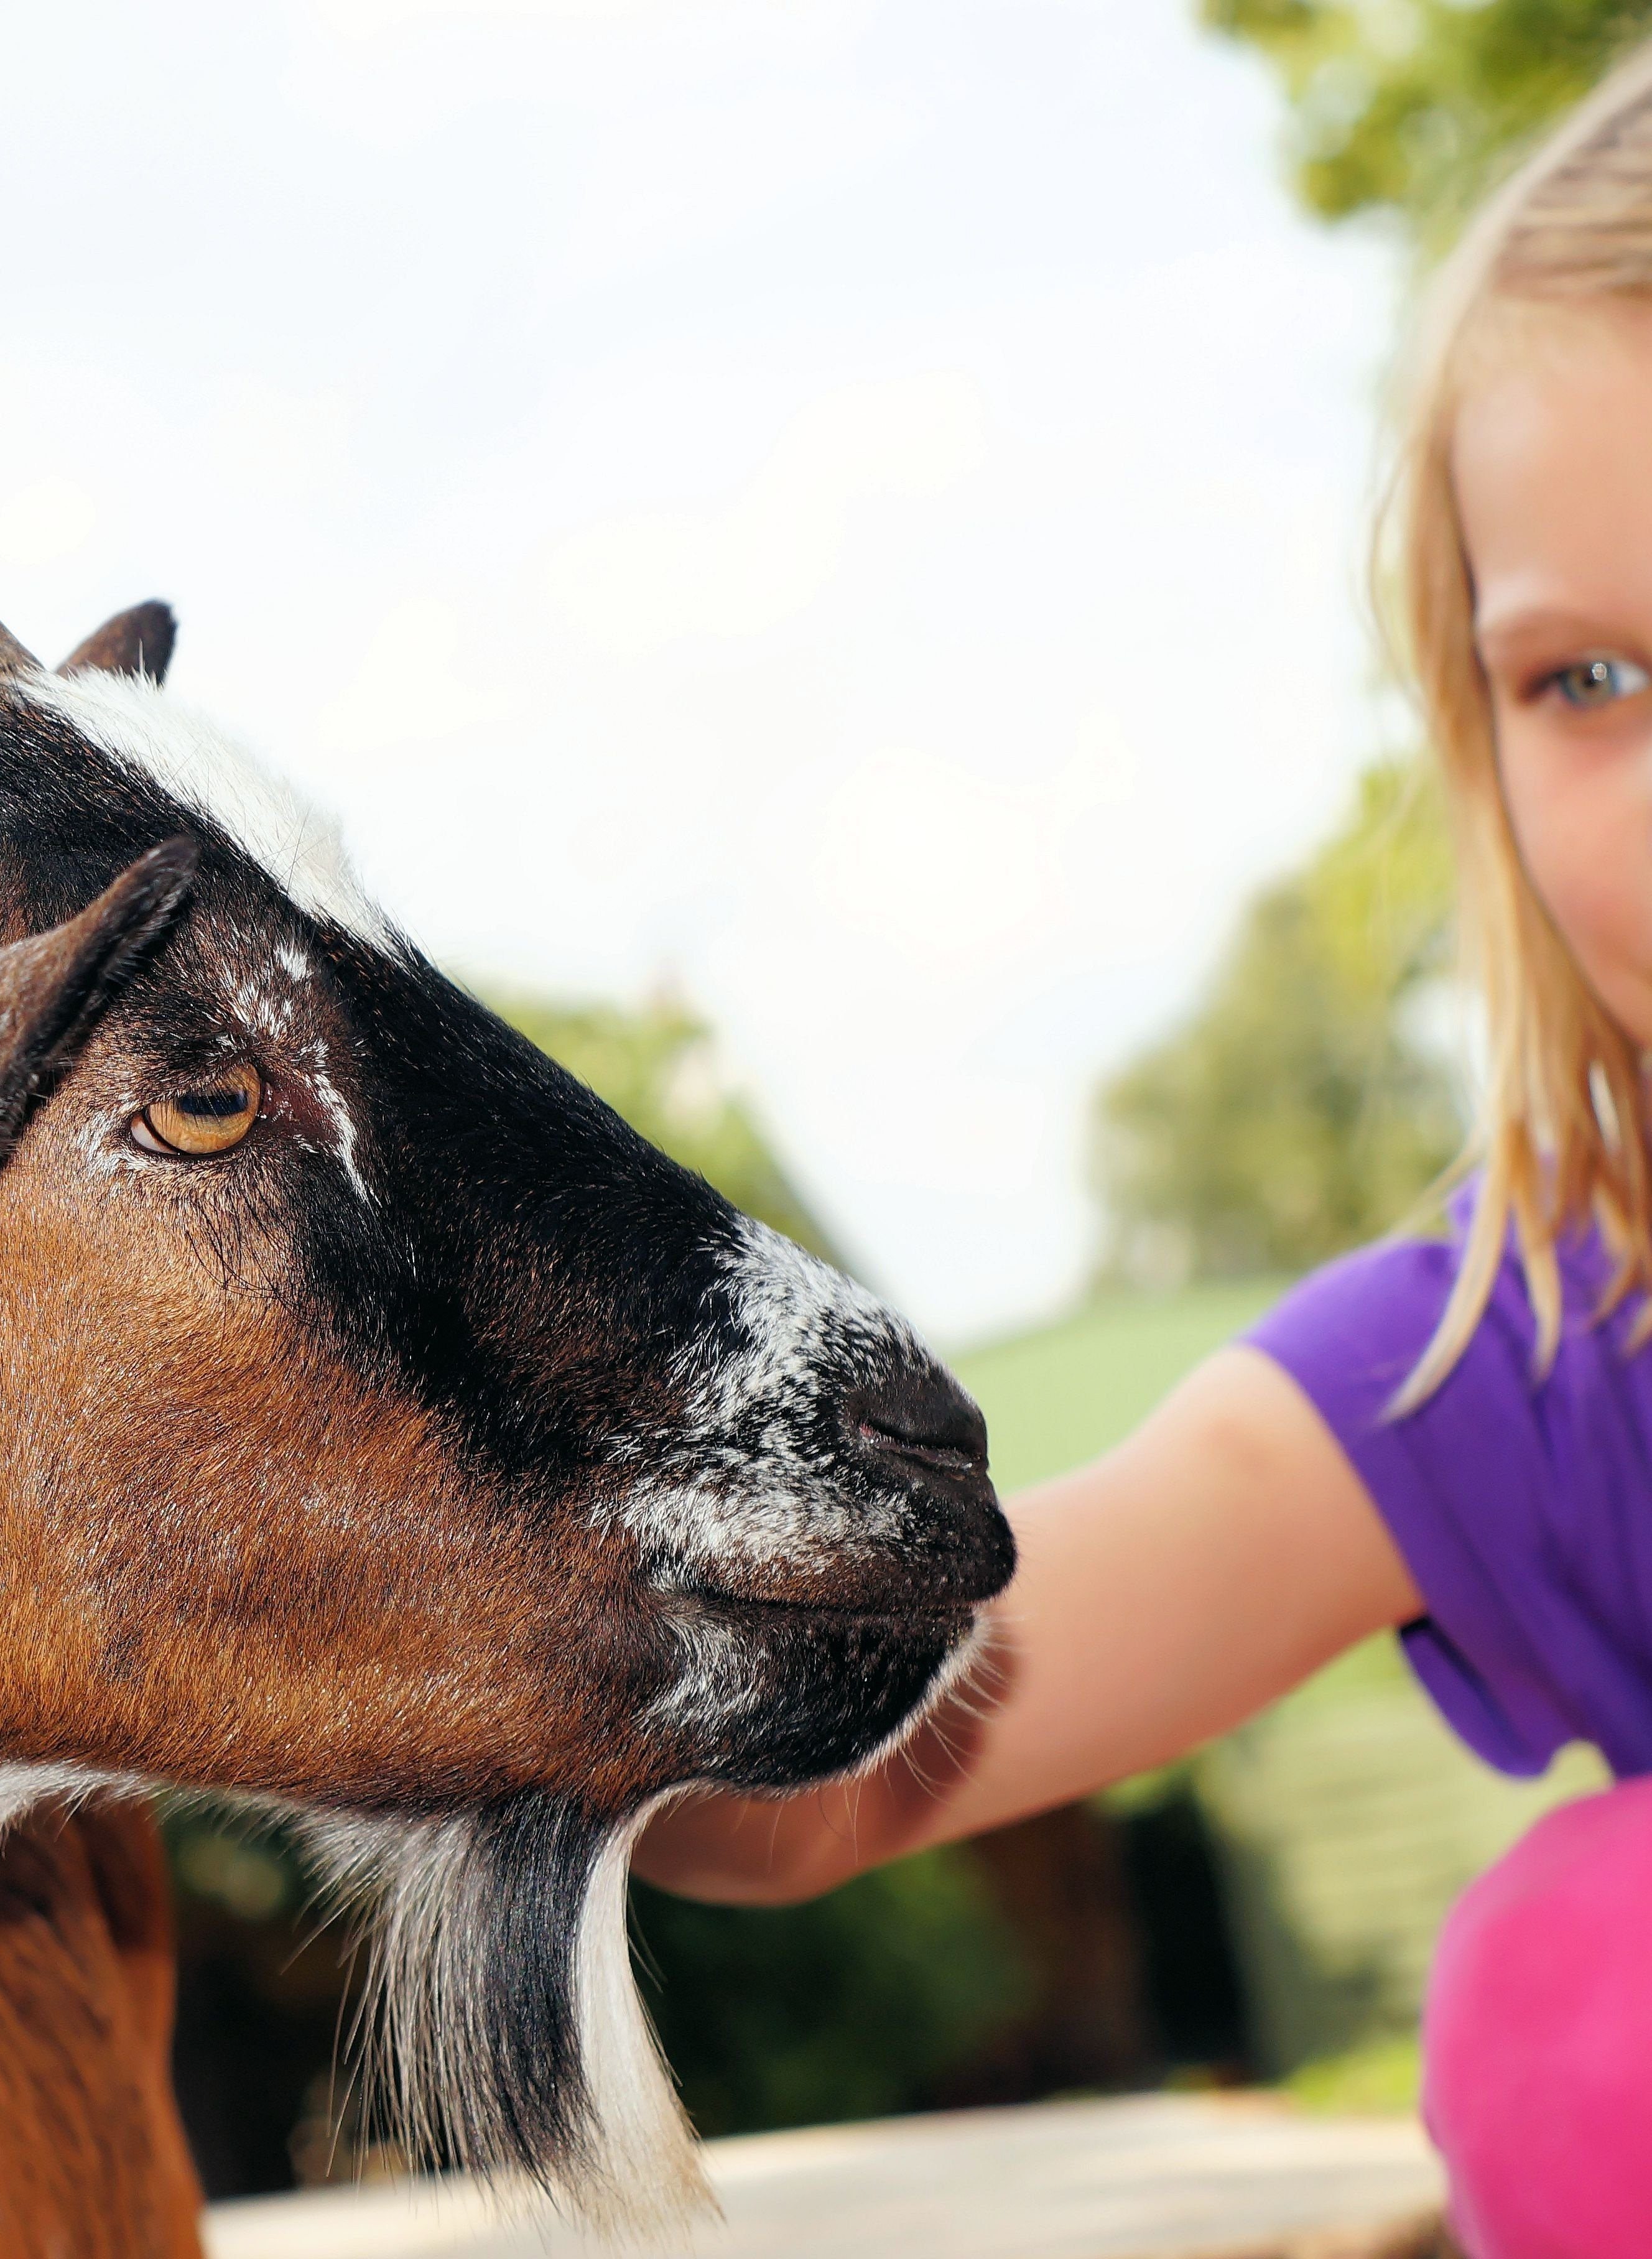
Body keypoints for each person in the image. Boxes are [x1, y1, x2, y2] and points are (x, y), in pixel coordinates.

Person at [635, 47, 1652, 2259]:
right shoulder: (1519, 1355)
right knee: (1589, 2014)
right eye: (1588, 684)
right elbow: (843, 1778)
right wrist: (404, 1589)